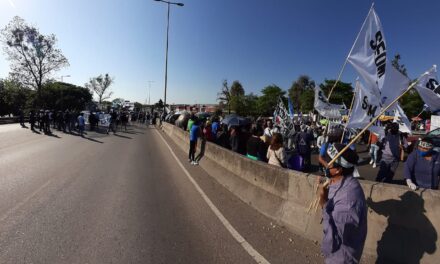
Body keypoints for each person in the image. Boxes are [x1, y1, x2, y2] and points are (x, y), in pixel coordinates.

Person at [319, 143, 367, 263]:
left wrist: (324, 203)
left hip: (342, 257)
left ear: (338, 170)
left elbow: (332, 242)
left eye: (329, 161)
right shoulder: (339, 182)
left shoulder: (348, 199)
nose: (325, 163)